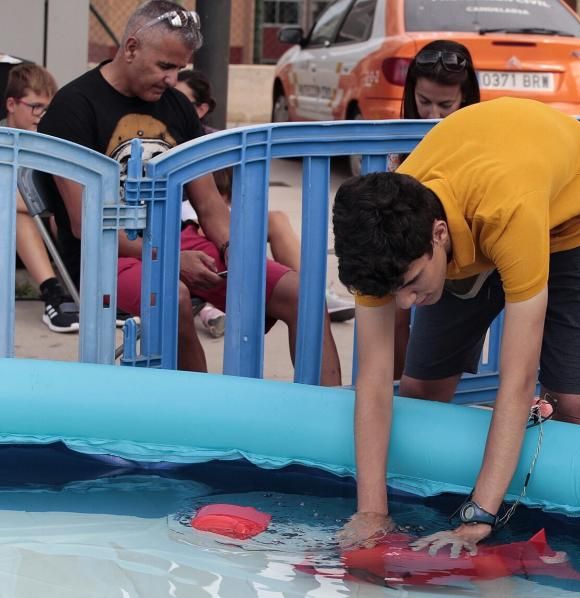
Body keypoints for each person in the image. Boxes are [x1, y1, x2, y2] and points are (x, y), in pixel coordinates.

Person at [332, 98, 580, 555]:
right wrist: (372, 513)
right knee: (422, 390)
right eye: (394, 294)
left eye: (411, 284)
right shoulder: (378, 243)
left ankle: (559, 528)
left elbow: (518, 380)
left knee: (567, 399)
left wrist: (476, 517)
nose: (406, 303)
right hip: (476, 208)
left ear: (439, 235)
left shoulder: (509, 210)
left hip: (573, 224)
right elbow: (372, 380)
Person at [38, 0, 343, 384]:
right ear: (131, 48)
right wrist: (169, 259)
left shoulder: (177, 106)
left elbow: (210, 205)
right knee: (174, 296)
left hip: (175, 243)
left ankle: (330, 424)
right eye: (165, 66)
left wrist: (233, 247)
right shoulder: (73, 106)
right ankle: (201, 422)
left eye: (179, 68)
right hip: (104, 255)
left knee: (303, 295)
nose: (171, 79)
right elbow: (85, 225)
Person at [176, 68, 355, 325]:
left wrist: (228, 225)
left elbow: (238, 194)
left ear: (201, 109)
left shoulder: (219, 141)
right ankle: (212, 306)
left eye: (181, 101)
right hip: (183, 226)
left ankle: (316, 295)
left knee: (275, 219)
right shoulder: (160, 134)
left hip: (216, 219)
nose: (171, 106)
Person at [389, 40, 481, 377]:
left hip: (469, 258)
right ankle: (399, 392)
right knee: (395, 311)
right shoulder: (398, 142)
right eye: (424, 102)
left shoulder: (481, 138)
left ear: (466, 99)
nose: (433, 115)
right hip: (418, 249)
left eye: (446, 105)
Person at [3, 63, 79, 333]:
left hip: (46, 235)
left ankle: (79, 286)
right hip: (10, 234)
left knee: (62, 210)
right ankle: (52, 294)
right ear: (11, 104)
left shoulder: (50, 140)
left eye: (47, 108)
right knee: (14, 208)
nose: (41, 115)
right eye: (35, 106)